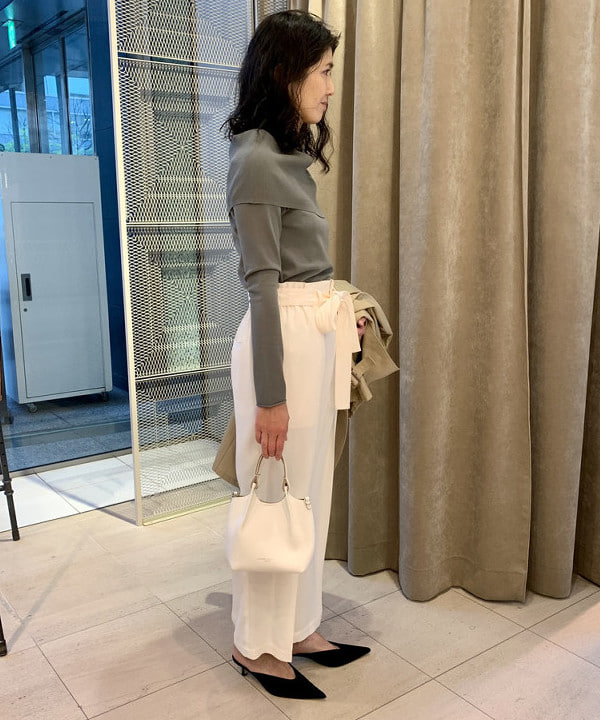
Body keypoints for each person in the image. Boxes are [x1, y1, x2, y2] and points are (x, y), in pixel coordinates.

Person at [224, 10, 370, 700]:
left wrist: (339, 320)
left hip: (309, 339)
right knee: (273, 493)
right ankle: (257, 645)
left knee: (308, 493)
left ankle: (300, 626)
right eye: (323, 72)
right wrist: (272, 397)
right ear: (285, 74)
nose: (330, 88)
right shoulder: (255, 160)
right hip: (279, 345)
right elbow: (262, 287)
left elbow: (302, 271)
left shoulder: (282, 156)